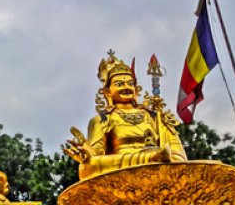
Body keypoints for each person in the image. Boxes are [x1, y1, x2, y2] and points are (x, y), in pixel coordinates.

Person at [64, 50, 186, 180]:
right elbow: (96, 155)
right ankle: (151, 159)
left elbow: (177, 152)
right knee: (88, 166)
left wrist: (174, 157)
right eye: (119, 84)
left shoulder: (155, 116)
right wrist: (86, 153)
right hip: (121, 169)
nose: (126, 87)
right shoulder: (102, 119)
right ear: (107, 92)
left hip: (161, 164)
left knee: (179, 162)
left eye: (130, 83)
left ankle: (155, 158)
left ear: (136, 89)